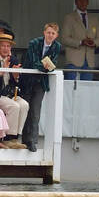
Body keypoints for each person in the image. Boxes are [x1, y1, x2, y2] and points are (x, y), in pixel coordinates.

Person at [21, 23, 63, 151]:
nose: (50, 35)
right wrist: (44, 66)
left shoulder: (57, 46)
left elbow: (53, 64)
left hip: (41, 82)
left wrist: (45, 67)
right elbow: (33, 62)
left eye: (53, 33)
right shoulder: (34, 43)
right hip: (28, 80)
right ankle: (22, 138)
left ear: (56, 35)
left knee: (35, 111)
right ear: (44, 32)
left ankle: (32, 141)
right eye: (48, 32)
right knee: (25, 109)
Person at [0, 32, 28, 147]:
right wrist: (3, 70)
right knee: (14, 106)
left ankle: (16, 136)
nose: (6, 49)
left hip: (11, 93)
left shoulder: (14, 60)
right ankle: (7, 137)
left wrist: (16, 77)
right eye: (3, 46)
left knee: (25, 105)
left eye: (8, 46)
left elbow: (18, 82)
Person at [60, 0, 99, 80]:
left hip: (89, 60)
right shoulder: (69, 17)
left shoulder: (94, 19)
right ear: (75, 2)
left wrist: (93, 42)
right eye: (79, 0)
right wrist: (80, 42)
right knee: (70, 88)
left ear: (88, 2)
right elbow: (64, 39)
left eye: (84, 0)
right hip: (73, 59)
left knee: (87, 89)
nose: (82, 2)